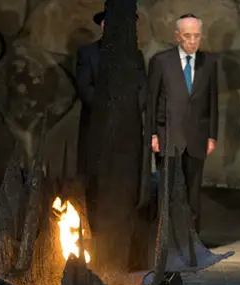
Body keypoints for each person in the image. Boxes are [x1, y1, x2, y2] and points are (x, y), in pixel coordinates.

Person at [146, 13, 218, 235]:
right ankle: (164, 241)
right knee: (167, 192)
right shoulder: (161, 61)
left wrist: (212, 135)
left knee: (193, 193)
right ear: (178, 36)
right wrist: (152, 134)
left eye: (197, 36)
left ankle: (192, 241)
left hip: (197, 137)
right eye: (188, 36)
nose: (193, 41)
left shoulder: (209, 62)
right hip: (168, 136)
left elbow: (212, 101)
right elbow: (151, 100)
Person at [75, 10, 147, 178]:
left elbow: (142, 86)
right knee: (96, 174)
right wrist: (107, 111)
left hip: (127, 127)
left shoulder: (136, 55)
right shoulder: (88, 53)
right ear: (104, 25)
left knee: (124, 174)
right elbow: (85, 87)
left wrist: (131, 111)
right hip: (97, 125)